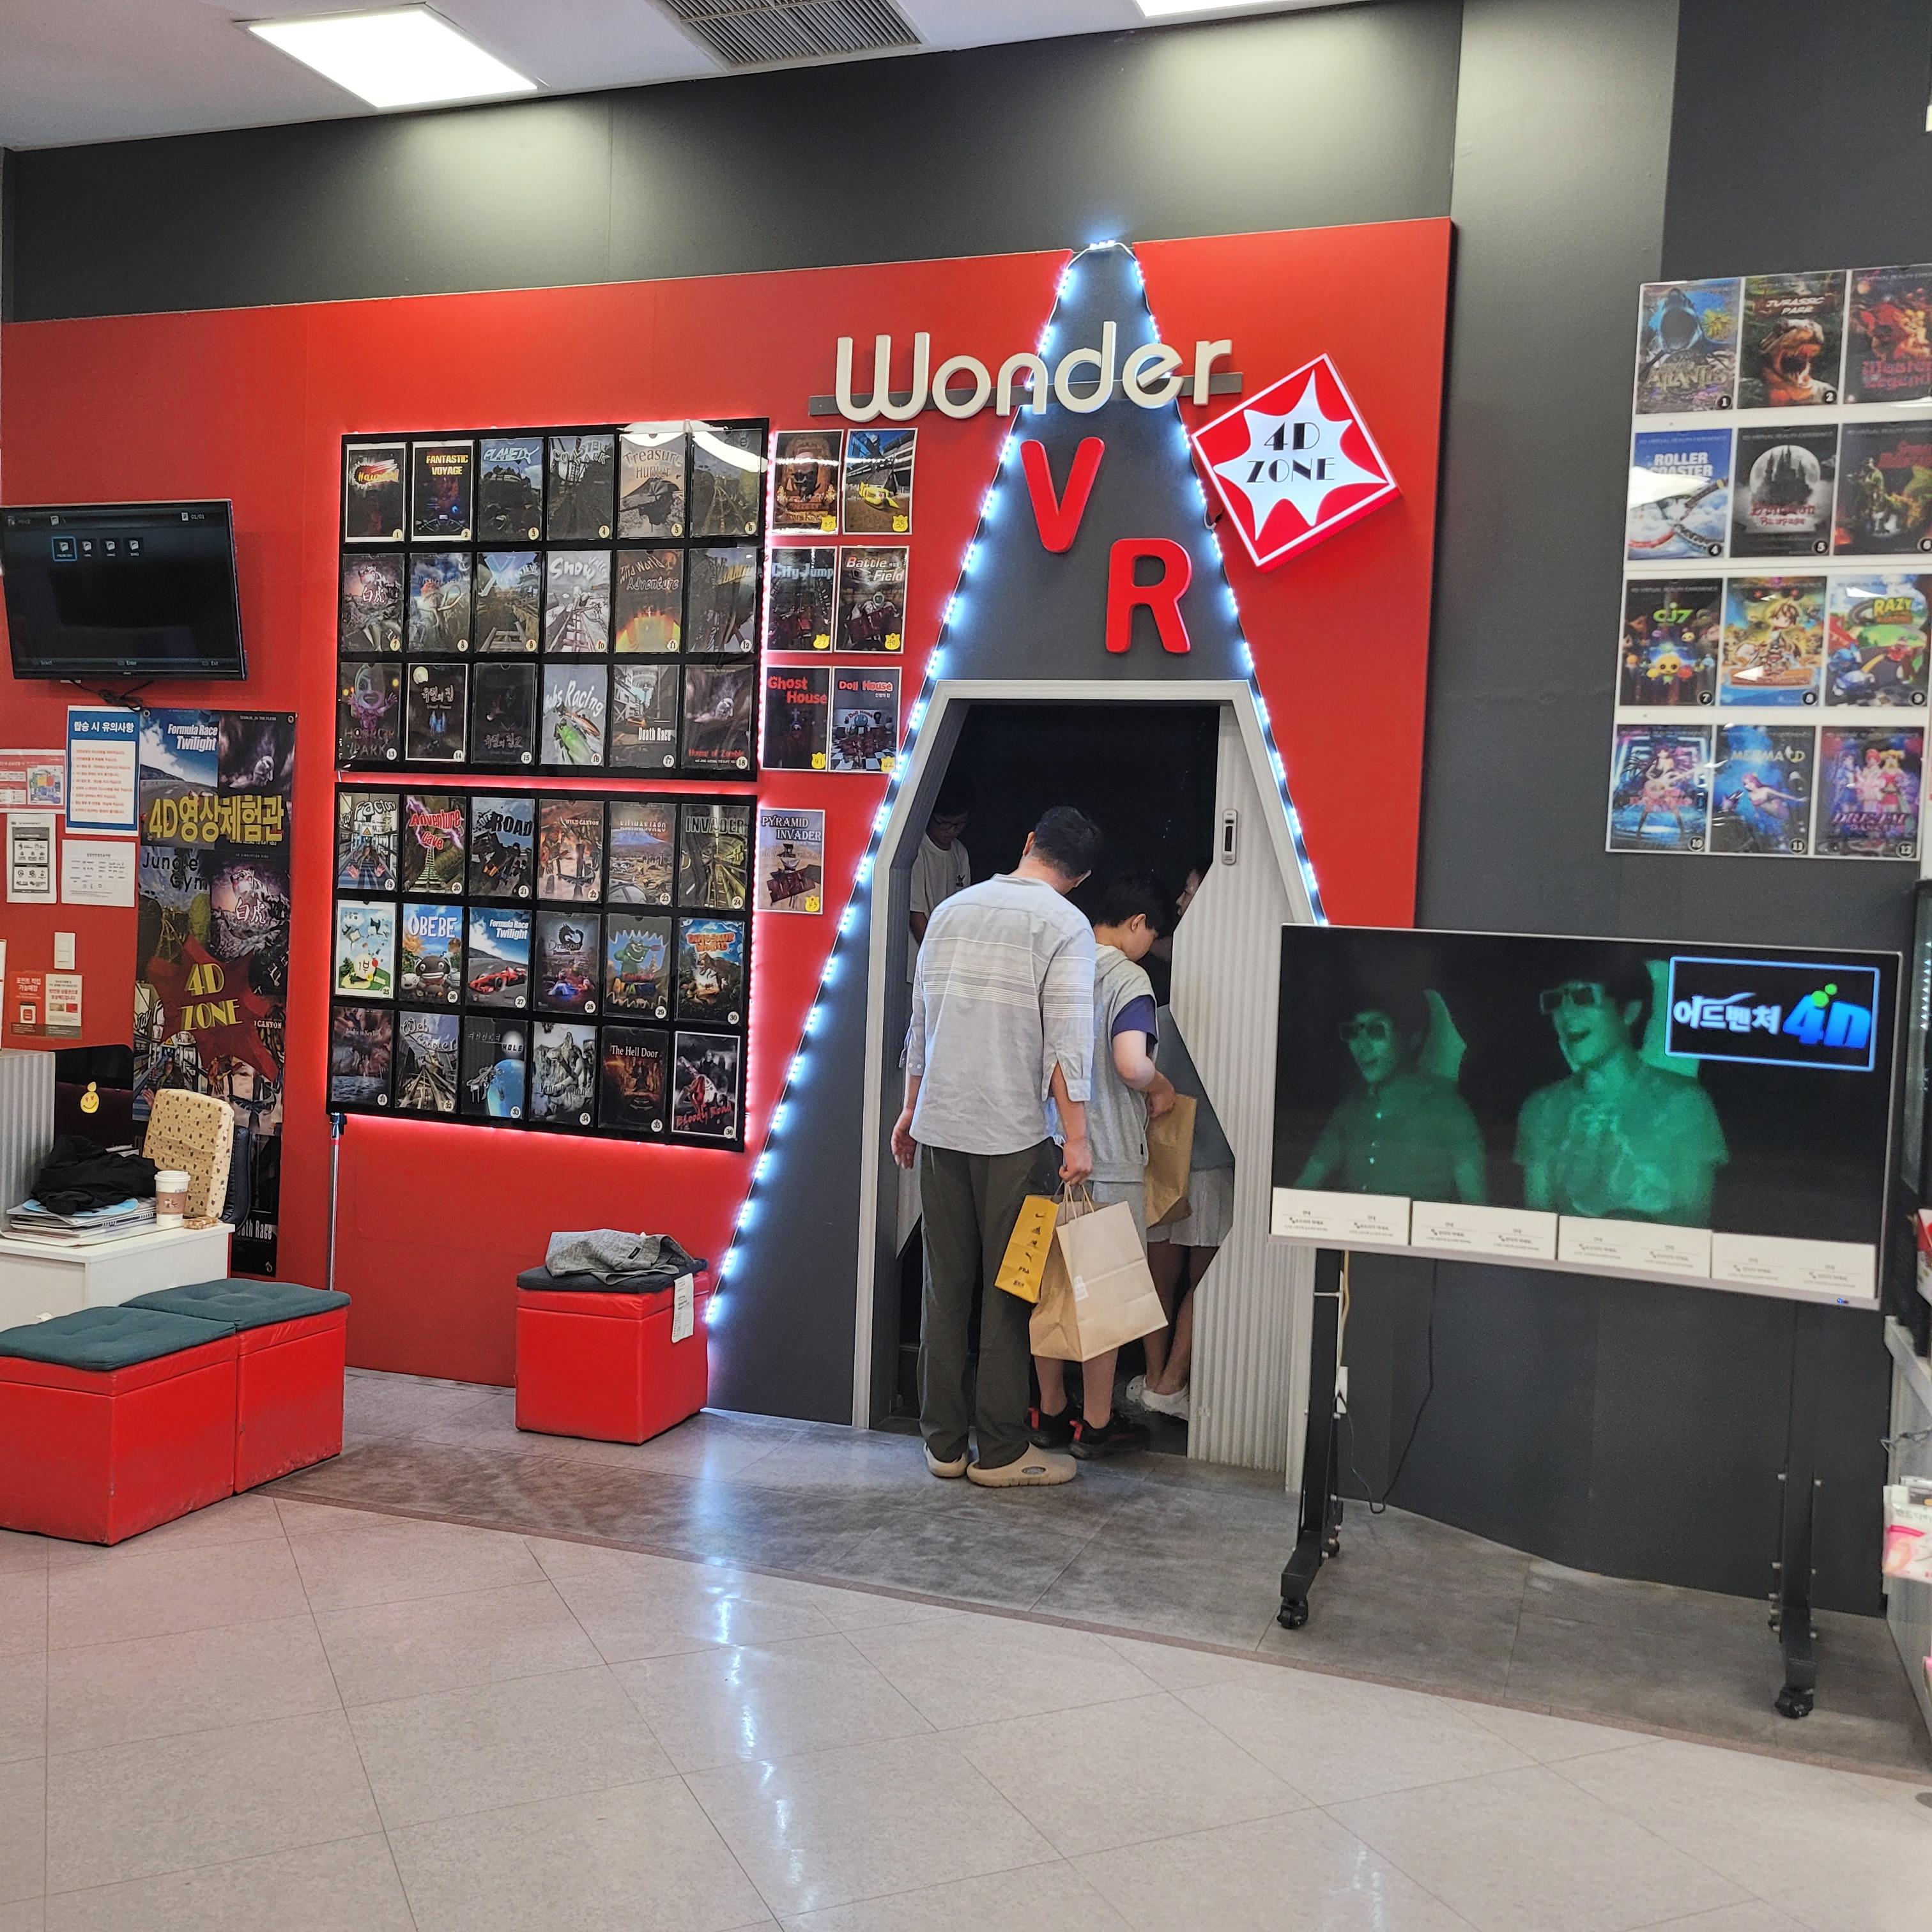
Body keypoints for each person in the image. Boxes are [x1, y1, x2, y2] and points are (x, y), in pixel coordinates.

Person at [893, 806, 1102, 1488]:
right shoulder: (1065, 925)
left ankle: (943, 1445)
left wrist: (909, 1110)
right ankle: (1005, 1452)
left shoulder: (951, 912)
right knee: (1010, 1292)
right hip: (1014, 1137)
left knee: (944, 1288)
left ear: (1028, 842)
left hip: (940, 1127)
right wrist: (1078, 1138)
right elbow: (1065, 1044)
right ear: (1081, 877)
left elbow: (921, 1020)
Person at [1032, 873, 1176, 1458]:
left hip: (1044, 1151)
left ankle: (1049, 1412)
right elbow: (1131, 1063)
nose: (1149, 948)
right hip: (1106, 1157)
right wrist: (1161, 1087)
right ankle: (1095, 1423)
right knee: (1104, 1295)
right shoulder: (1127, 978)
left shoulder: (1057, 963)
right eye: (1152, 935)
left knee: (1046, 1288)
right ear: (1137, 924)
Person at [1517, 956, 1726, 1225]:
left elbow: (1694, 1219)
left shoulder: (1684, 1103)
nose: (1566, 1014)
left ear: (1629, 1011)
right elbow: (1537, 1221)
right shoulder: (1542, 1108)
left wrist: (1632, 1228)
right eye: (1556, 1001)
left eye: (1583, 997)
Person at [1296, 987, 1486, 1203]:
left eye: (1376, 1031)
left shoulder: (1448, 1111)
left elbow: (1476, 1209)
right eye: (1353, 1032)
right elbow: (1303, 1189)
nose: (1362, 1046)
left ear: (1412, 1038)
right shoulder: (1351, 1109)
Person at [907, 774, 973, 981]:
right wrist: (939, 957)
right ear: (930, 817)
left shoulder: (960, 852)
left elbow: (963, 909)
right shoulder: (917, 851)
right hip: (918, 959)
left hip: (946, 957)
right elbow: (916, 916)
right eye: (945, 824)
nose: (952, 831)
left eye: (959, 824)